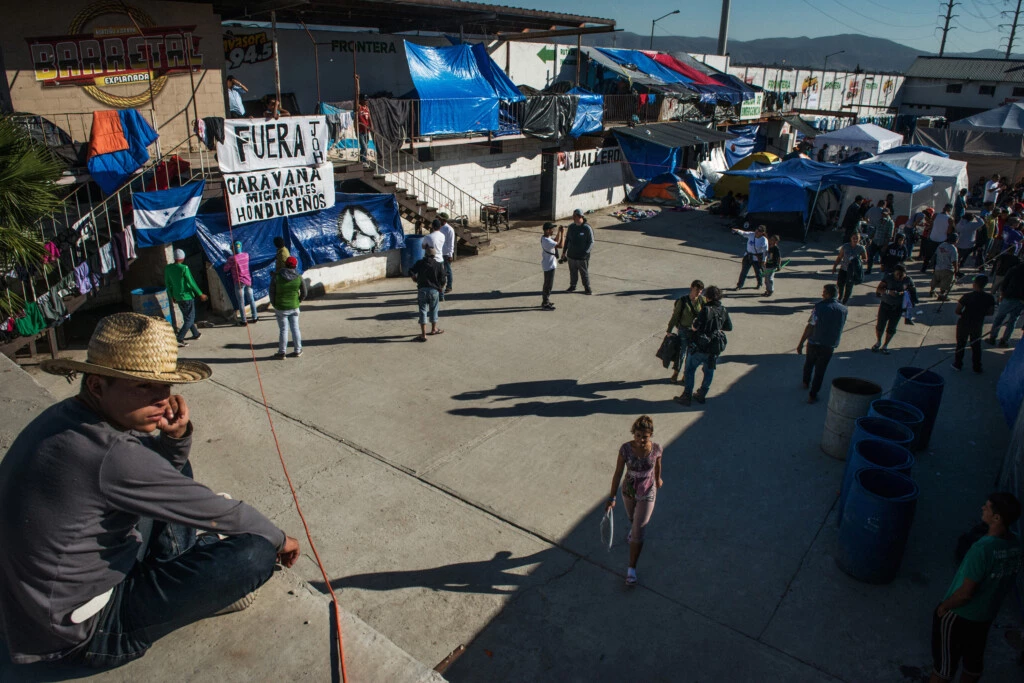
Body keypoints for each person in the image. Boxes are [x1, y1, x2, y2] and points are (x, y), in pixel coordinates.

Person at [0, 312, 300, 669]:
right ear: (97, 386)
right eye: (144, 386)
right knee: (254, 553)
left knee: (168, 464)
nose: (162, 399)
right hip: (82, 633)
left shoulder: (67, 418)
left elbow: (159, 475)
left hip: (41, 601)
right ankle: (194, 574)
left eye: (165, 386)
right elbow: (222, 513)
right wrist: (281, 540)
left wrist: (174, 439)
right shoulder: (114, 456)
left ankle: (179, 559)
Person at [929, 493, 1021, 683]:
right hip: (985, 617)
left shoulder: (982, 549)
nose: (982, 508)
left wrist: (944, 607)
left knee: (943, 669)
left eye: (987, 507)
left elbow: (965, 594)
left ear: (996, 518)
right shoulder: (1017, 544)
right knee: (973, 667)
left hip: (960, 615)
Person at [604, 415, 663, 587]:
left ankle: (631, 570)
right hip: (628, 491)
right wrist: (612, 497)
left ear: (650, 435)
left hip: (647, 493)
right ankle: (633, 528)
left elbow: (658, 465)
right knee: (632, 518)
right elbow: (617, 473)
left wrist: (658, 479)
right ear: (633, 434)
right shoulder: (625, 449)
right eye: (638, 435)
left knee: (639, 529)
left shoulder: (657, 449)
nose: (641, 439)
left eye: (644, 436)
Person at [674, 285, 732, 406]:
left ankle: (687, 395)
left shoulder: (706, 310)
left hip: (700, 346)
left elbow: (695, 327)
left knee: (690, 370)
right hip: (714, 347)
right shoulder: (723, 309)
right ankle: (702, 394)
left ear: (708, 297)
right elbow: (728, 327)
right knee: (709, 370)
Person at [797, 284, 849, 404]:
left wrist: (801, 343)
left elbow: (811, 325)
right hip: (829, 344)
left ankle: (806, 382)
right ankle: (813, 394)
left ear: (828, 294)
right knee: (820, 370)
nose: (822, 294)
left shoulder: (819, 307)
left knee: (809, 363)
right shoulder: (843, 309)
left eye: (824, 292)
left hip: (814, 341)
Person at [952, 275, 996, 373]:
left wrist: (962, 314)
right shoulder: (989, 298)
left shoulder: (967, 296)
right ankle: (977, 366)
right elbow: (991, 312)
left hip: (964, 322)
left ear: (975, 284)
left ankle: (958, 364)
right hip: (977, 323)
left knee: (960, 344)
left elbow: (957, 310)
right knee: (976, 346)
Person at [164, 249, 207, 348]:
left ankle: (196, 334)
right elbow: (191, 282)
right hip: (187, 296)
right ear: (182, 258)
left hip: (177, 296)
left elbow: (168, 283)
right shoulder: (184, 268)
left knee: (187, 316)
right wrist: (200, 293)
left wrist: (172, 296)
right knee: (190, 319)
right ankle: (179, 338)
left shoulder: (168, 268)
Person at [665, 280, 705, 384]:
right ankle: (676, 372)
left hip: (695, 332)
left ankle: (685, 374)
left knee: (690, 354)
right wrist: (669, 330)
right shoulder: (682, 301)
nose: (698, 293)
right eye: (697, 290)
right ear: (691, 288)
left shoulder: (702, 301)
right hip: (683, 330)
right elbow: (675, 316)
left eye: (700, 291)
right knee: (681, 353)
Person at [873, 263, 917, 354]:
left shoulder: (908, 280)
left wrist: (904, 293)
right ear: (894, 272)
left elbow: (912, 292)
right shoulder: (888, 277)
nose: (899, 277)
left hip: (898, 307)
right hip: (885, 305)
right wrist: (888, 292)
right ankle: (878, 342)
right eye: (897, 274)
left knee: (892, 328)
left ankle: (885, 345)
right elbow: (878, 289)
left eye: (901, 275)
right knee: (880, 326)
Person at [269, 256, 307, 359]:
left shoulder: (277, 277)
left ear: (285, 264)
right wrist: (298, 301)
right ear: (295, 265)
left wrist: (274, 303)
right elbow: (304, 292)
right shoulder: (299, 277)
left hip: (281, 307)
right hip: (294, 307)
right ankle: (298, 350)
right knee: (295, 329)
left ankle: (282, 352)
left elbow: (271, 292)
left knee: (283, 330)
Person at [409, 244, 447, 341]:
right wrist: (440, 287)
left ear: (425, 255)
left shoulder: (420, 263)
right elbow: (443, 279)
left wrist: (414, 278)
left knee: (422, 311)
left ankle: (423, 334)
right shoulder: (438, 265)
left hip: (422, 290)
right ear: (434, 256)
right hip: (434, 291)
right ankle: (434, 329)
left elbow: (411, 271)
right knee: (434, 309)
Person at [987, 260, 1024, 347]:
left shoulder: (1015, 269)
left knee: (999, 318)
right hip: (1021, 301)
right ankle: (1004, 340)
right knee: (1013, 320)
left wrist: (1002, 294)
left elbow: (1005, 282)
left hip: (1009, 297)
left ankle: (992, 337)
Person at [223, 241, 258, 326]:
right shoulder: (246, 255)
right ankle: (255, 317)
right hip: (248, 281)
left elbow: (225, 269)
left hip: (239, 282)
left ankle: (244, 320)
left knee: (241, 302)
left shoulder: (232, 259)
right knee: (251, 299)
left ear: (233, 248)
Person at [564, 209, 595, 294]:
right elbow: (567, 240)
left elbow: (591, 242)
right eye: (573, 216)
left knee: (584, 273)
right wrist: (564, 252)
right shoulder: (571, 227)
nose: (573, 218)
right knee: (573, 272)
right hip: (571, 255)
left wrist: (585, 253)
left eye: (575, 216)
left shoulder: (587, 228)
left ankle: (587, 288)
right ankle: (572, 286)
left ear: (580, 216)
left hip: (582, 257)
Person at [832, 232, 868, 305]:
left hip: (852, 271)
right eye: (853, 238)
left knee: (849, 287)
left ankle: (845, 301)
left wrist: (860, 260)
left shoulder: (861, 248)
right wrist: (835, 266)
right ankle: (839, 298)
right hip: (844, 269)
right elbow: (839, 257)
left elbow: (865, 258)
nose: (855, 240)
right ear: (851, 238)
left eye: (857, 238)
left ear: (859, 239)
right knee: (840, 285)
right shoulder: (845, 246)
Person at [732, 224, 768, 290]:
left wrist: (764, 260)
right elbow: (744, 233)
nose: (757, 231)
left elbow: (765, 251)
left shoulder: (764, 240)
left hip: (756, 258)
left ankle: (759, 284)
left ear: (762, 232)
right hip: (748, 256)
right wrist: (737, 230)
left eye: (759, 231)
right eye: (757, 229)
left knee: (758, 272)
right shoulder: (751, 234)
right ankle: (739, 285)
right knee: (744, 272)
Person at [540, 222, 565, 310]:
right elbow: (560, 245)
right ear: (547, 230)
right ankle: (545, 303)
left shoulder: (545, 238)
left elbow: (554, 241)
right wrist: (563, 234)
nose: (553, 230)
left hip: (548, 264)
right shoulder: (547, 241)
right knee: (548, 285)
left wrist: (558, 232)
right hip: (549, 266)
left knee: (548, 284)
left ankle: (546, 300)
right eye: (551, 229)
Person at [922, 204, 953, 273]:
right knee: (938, 255)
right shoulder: (950, 219)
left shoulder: (936, 215)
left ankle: (924, 268)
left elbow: (931, 224)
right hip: (942, 239)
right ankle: (935, 270)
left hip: (933, 237)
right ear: (949, 210)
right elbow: (949, 231)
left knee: (928, 254)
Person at [929, 233, 960, 301]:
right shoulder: (953, 248)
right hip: (947, 269)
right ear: (956, 240)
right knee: (946, 283)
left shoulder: (941, 245)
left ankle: (932, 291)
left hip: (938, 267)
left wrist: (933, 265)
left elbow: (935, 255)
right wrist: (956, 269)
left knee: (935, 280)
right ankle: (941, 295)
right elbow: (954, 260)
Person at [866, 207, 895, 276]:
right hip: (875, 241)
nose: (883, 215)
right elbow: (874, 230)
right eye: (882, 214)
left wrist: (885, 245)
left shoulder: (890, 223)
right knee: (870, 256)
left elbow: (889, 235)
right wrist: (870, 239)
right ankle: (868, 269)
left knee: (883, 258)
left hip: (883, 243)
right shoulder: (879, 220)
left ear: (888, 214)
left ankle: (884, 270)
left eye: (885, 214)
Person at [438, 212, 456, 294]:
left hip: (446, 253)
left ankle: (449, 286)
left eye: (440, 219)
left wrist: (450, 254)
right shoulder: (439, 228)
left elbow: (451, 243)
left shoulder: (449, 229)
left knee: (447, 271)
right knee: (440, 271)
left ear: (443, 220)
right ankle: (440, 285)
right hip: (439, 252)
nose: (438, 220)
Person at [357, 94, 373, 165]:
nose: (366, 101)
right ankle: (362, 161)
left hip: (366, 131)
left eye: (367, 100)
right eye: (365, 100)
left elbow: (369, 118)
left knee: (366, 146)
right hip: (360, 131)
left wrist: (371, 126)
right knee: (364, 147)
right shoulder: (359, 107)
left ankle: (363, 160)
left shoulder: (367, 108)